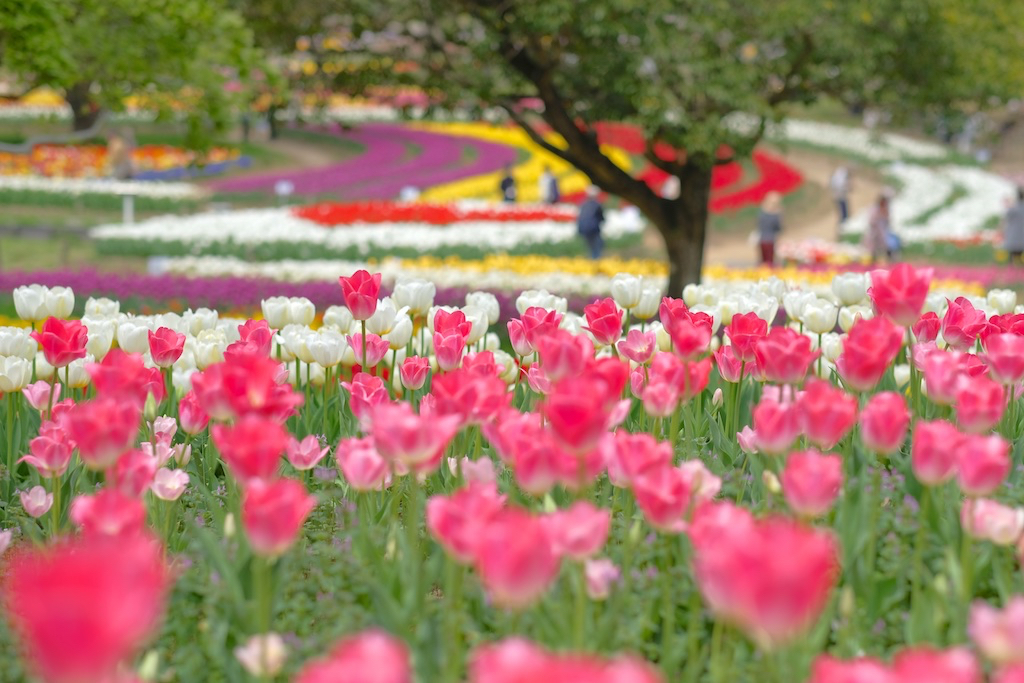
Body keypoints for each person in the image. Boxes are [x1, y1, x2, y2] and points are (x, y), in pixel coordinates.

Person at [577, 186, 605, 259]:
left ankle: (592, 260)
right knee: (597, 246)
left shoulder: (583, 204)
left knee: (590, 247)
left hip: (584, 229)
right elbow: (601, 217)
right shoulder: (596, 205)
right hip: (593, 229)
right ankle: (596, 261)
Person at [864, 193, 892, 264]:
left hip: (882, 231)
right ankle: (873, 260)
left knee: (885, 245)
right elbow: (871, 220)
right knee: (873, 246)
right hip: (875, 231)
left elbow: (888, 220)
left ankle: (888, 259)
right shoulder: (875, 209)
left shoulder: (885, 209)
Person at [756, 192, 783, 266]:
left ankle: (762, 275)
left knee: (763, 261)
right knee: (770, 261)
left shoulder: (762, 212)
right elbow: (778, 227)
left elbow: (759, 225)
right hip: (771, 239)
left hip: (762, 238)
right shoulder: (776, 214)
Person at [1004, 187, 1024, 265]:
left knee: (1012, 257)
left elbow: (1006, 217)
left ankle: (1012, 273)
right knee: (1022, 258)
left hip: (1014, 237)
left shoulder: (1013, 208)